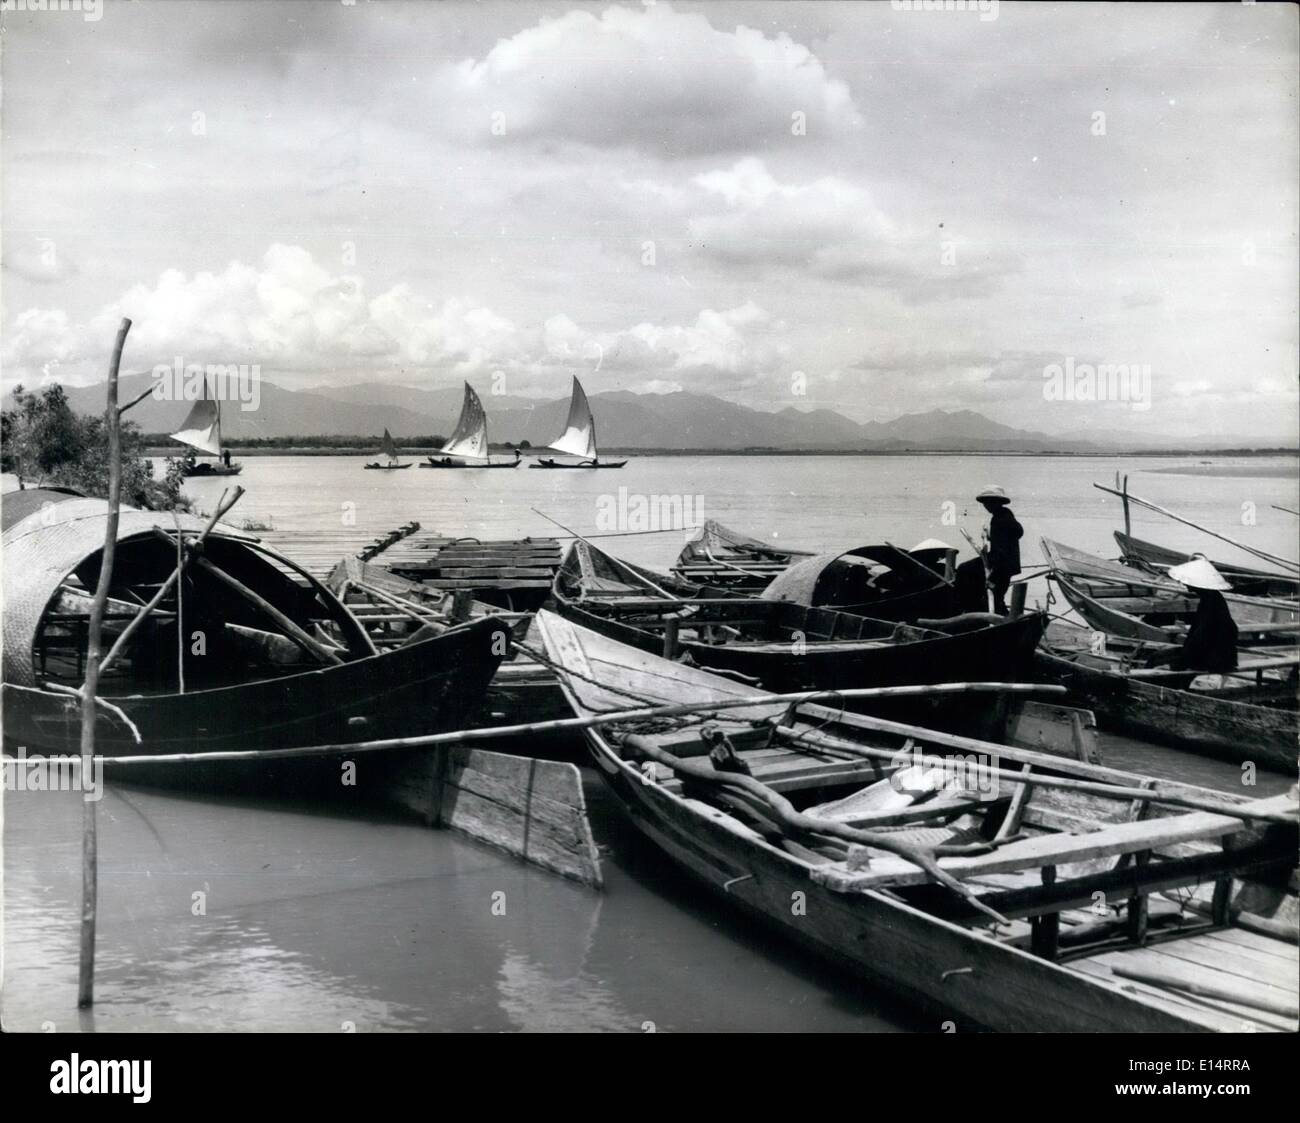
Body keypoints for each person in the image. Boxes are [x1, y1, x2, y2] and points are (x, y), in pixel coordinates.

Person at [1163, 557, 1238, 672]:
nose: (1186, 585)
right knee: (1163, 656)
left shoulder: (1210, 604)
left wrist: (1177, 665)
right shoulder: (1212, 599)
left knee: (1160, 659)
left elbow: (1200, 637)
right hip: (1219, 654)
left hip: (1216, 659)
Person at [976, 485, 1022, 615]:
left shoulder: (1000, 519)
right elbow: (1007, 538)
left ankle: (1002, 620)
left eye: (989, 502)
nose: (986, 505)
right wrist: (990, 537)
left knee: (995, 594)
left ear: (997, 502)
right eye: (985, 502)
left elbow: (1002, 550)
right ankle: (1002, 617)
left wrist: (992, 576)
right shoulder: (1005, 515)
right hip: (1007, 564)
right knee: (997, 595)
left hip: (1002, 565)